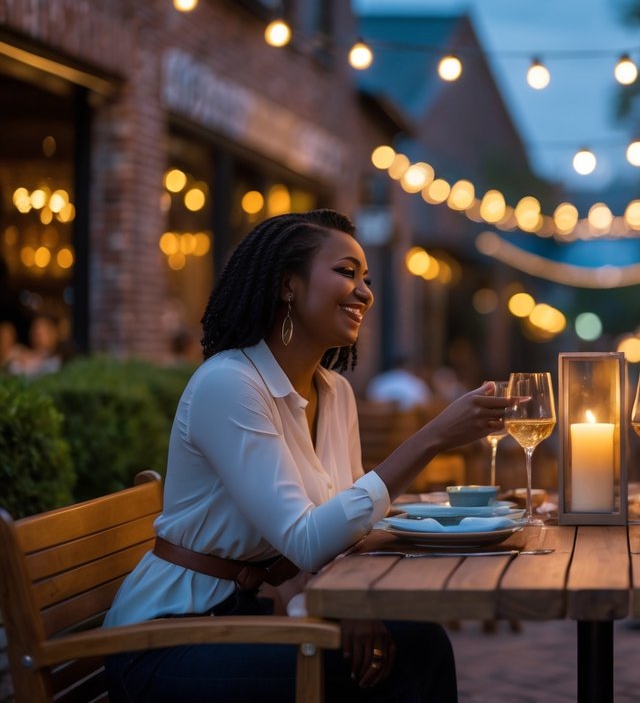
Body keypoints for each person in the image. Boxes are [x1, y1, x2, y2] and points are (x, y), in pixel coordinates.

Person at [104, 209, 512, 702]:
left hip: (247, 619)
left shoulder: (335, 392)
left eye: (366, 277)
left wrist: (359, 601)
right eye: (346, 272)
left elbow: (344, 524)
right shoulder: (230, 384)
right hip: (167, 639)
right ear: (287, 286)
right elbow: (306, 539)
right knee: (415, 657)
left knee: (416, 642)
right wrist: (432, 438)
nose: (365, 292)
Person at [366, 351, 432, 410]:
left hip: (378, 420)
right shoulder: (416, 383)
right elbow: (426, 403)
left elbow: (371, 399)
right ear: (408, 366)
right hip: (408, 420)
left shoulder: (378, 380)